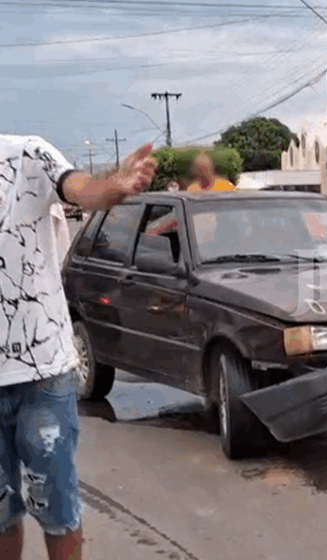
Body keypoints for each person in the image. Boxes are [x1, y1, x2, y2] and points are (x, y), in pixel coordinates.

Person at [0, 135, 157, 560]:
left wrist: (117, 185)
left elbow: (82, 188)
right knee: (0, 512)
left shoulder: (28, 154)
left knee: (57, 507)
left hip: (42, 375)